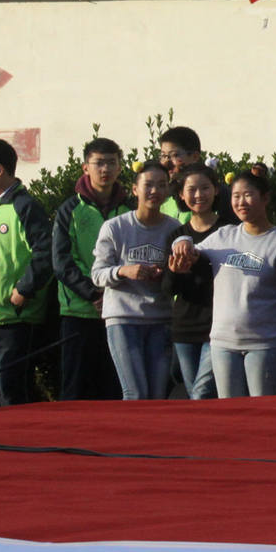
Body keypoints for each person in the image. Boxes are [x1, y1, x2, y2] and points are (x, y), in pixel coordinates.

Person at [171, 169, 276, 399]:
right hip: (222, 343)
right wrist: (181, 242)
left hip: (265, 344)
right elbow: (191, 244)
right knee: (229, 411)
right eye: (236, 196)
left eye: (248, 195)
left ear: (265, 198)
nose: (241, 202)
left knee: (263, 411)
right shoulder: (224, 236)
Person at [0, 139, 53, 405]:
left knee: (11, 391)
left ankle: (17, 445)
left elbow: (45, 253)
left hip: (15, 317)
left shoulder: (26, 206)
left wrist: (24, 289)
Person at [90, 160, 182, 400]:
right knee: (136, 393)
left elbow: (181, 276)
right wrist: (123, 271)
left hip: (160, 320)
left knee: (157, 394)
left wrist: (168, 273)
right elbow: (97, 274)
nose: (155, 191)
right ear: (134, 189)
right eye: (148, 185)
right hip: (123, 320)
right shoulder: (115, 227)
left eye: (162, 185)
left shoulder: (175, 229)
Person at [52, 137, 130, 401]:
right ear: (85, 167)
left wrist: (111, 293)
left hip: (120, 311)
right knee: (75, 386)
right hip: (79, 312)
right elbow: (63, 260)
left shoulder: (129, 210)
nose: (105, 169)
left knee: (114, 386)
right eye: (98, 163)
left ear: (120, 167)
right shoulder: (69, 210)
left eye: (111, 163)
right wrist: (93, 294)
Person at [166, 163, 229, 399]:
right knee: (195, 395)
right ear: (181, 195)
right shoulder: (175, 235)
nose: (199, 195)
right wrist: (177, 271)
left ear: (216, 190)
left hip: (218, 327)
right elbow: (168, 288)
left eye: (205, 188)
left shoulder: (228, 231)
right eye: (192, 189)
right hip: (184, 327)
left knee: (201, 394)